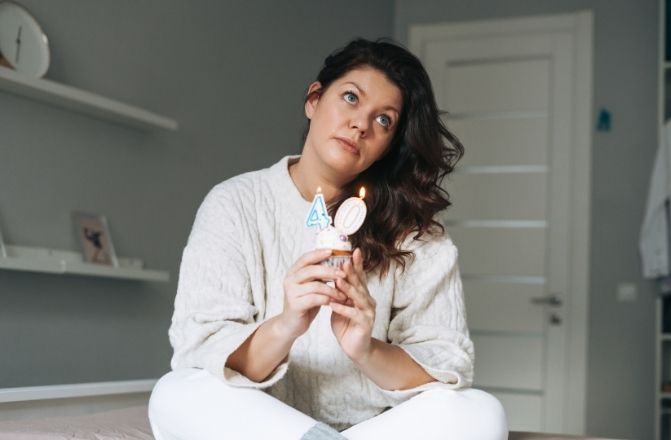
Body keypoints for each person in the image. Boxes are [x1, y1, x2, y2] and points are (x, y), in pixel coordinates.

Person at [148, 38, 508, 440]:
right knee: (174, 393)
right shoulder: (235, 204)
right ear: (314, 100)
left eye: (384, 120)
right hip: (268, 424)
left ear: (390, 145)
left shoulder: (415, 232)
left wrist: (365, 349)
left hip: (377, 427)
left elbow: (447, 362)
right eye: (350, 98)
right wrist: (286, 325)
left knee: (480, 412)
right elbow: (202, 349)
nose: (361, 124)